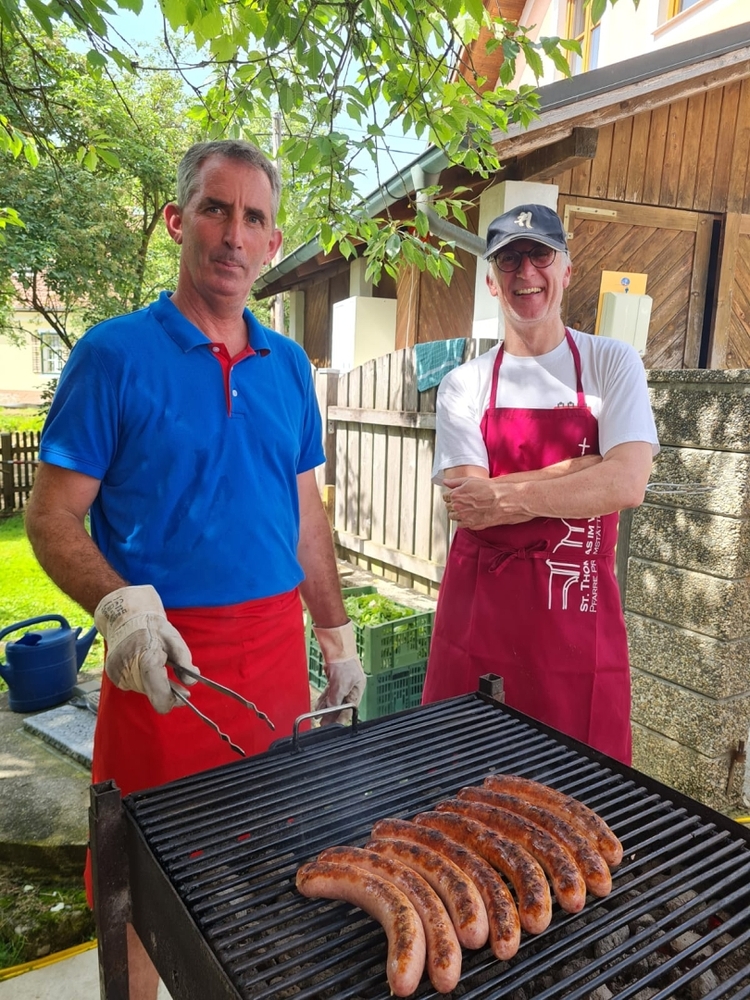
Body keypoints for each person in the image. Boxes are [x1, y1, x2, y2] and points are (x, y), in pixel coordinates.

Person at [25, 139, 366, 998]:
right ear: (180, 220)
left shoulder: (290, 366)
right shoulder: (113, 354)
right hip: (161, 664)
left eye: (254, 218)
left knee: (270, 863)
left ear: (273, 241)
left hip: (275, 661)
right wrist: (120, 609)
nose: (234, 234)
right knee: (144, 887)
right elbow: (51, 515)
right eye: (216, 209)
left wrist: (336, 634)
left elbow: (306, 516)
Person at [421, 202, 658, 765]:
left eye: (540, 255)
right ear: (491, 281)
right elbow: (471, 504)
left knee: (583, 793)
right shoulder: (463, 384)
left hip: (577, 624)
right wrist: (581, 470)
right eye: (509, 260)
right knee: (464, 785)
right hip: (480, 624)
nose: (525, 271)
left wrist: (509, 495)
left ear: (566, 270)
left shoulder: (611, 363)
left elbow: (628, 483)